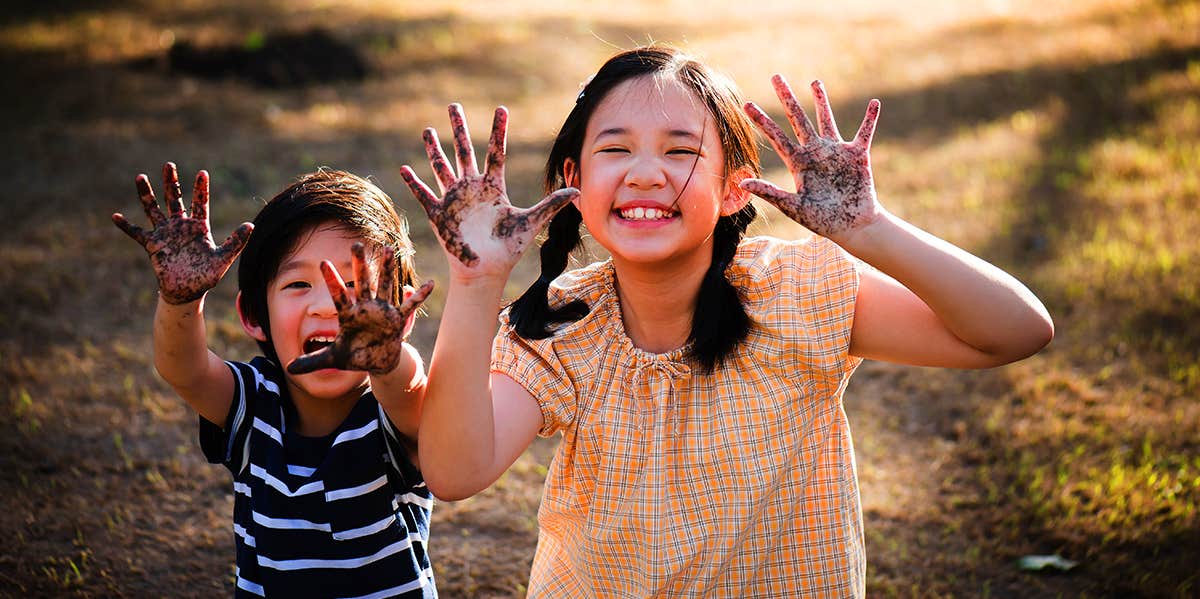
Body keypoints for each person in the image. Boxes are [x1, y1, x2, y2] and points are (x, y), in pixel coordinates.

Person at [402, 45, 1054, 597]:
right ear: (574, 178)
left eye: (680, 150)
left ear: (735, 188)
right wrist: (475, 281)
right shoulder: (562, 324)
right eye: (615, 149)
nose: (646, 173)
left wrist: (871, 231)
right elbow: (457, 472)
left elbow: (1017, 330)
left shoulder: (796, 293)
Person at [112, 165, 438, 598]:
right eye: (299, 283)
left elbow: (412, 394)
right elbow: (184, 370)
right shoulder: (253, 403)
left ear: (402, 317)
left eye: (355, 285)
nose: (328, 305)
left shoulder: (392, 414)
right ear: (254, 317)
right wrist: (180, 301)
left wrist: (390, 359)